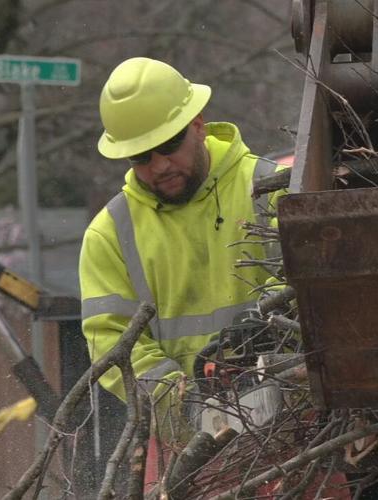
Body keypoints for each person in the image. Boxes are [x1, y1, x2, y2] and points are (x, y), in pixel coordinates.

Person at [78, 57, 280, 445]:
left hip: (298, 428)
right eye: (141, 156)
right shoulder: (110, 235)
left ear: (199, 125)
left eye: (169, 145)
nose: (159, 165)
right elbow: (112, 343)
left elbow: (308, 287)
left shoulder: (272, 190)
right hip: (185, 441)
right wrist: (180, 402)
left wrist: (265, 338)